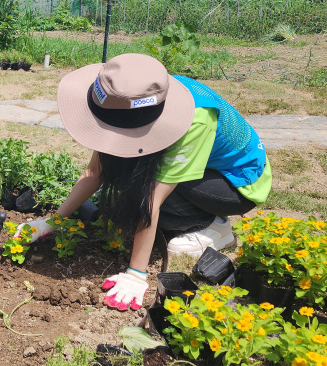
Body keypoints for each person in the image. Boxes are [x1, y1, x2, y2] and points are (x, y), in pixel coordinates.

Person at [18, 53, 271, 311]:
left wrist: (135, 274)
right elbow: (95, 172)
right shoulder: (132, 95)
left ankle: (214, 226)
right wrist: (52, 221)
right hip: (206, 166)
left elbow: (150, 198)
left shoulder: (194, 120)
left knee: (137, 188)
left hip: (235, 182)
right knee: (126, 182)